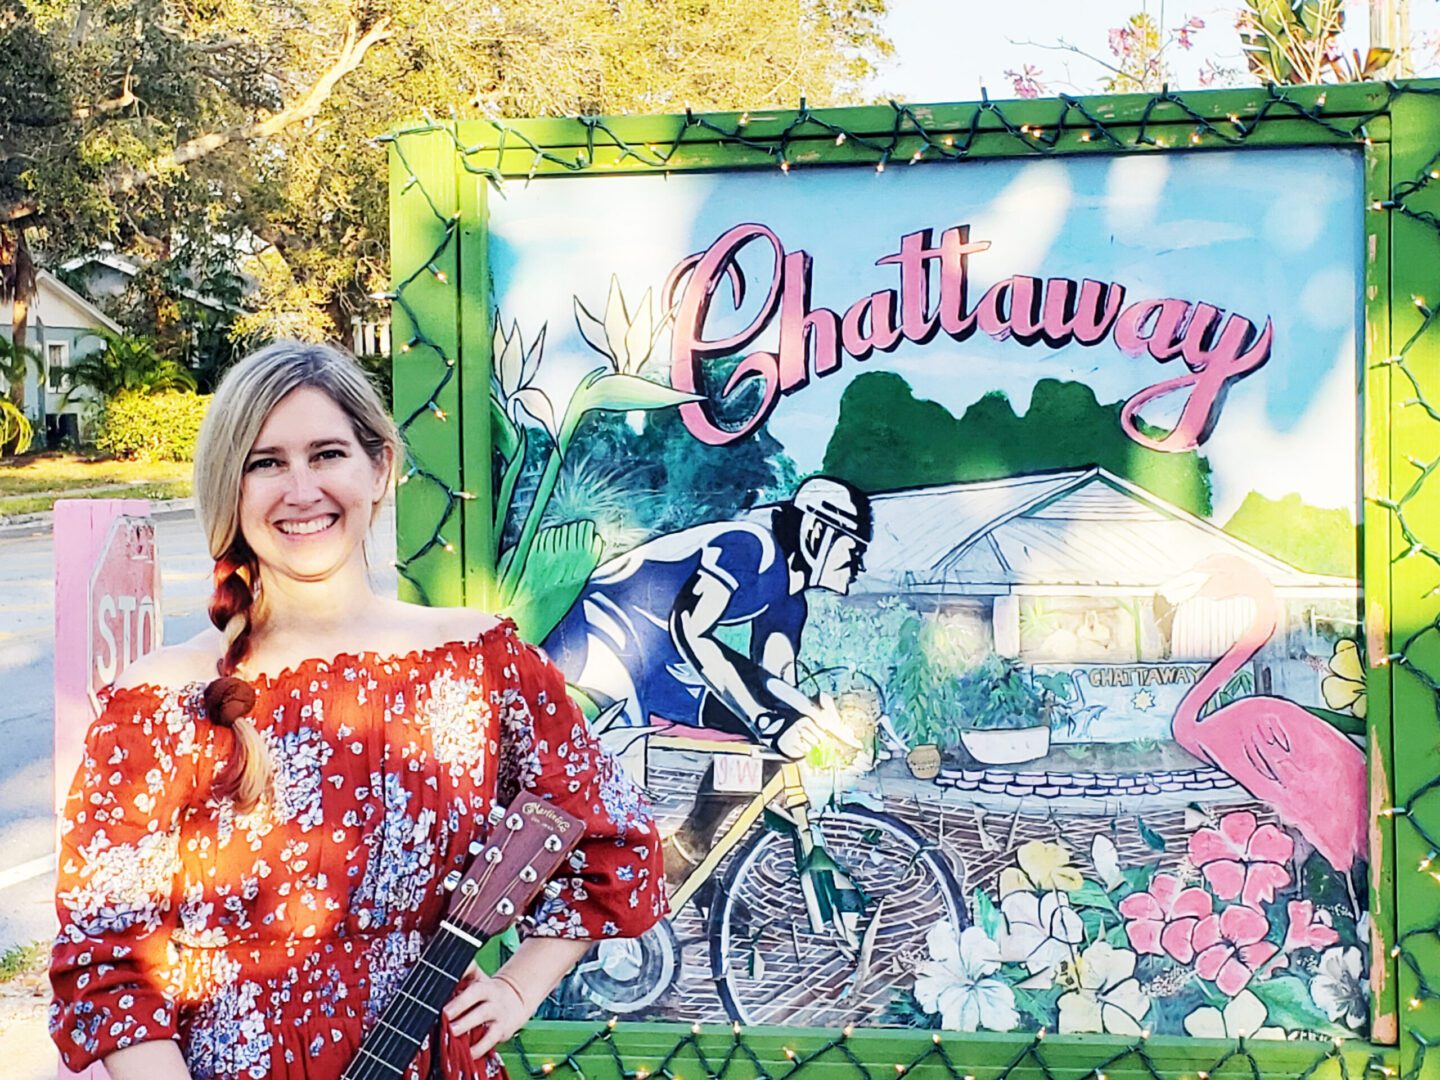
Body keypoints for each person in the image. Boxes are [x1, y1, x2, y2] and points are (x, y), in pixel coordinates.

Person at [49, 342, 666, 1080]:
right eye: (265, 462)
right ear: (229, 488)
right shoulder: (162, 702)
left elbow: (611, 833)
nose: (300, 488)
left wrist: (518, 986)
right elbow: (108, 956)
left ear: (379, 468)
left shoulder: (477, 663)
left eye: (327, 453)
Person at [540, 476, 871, 885]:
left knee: (765, 747)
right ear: (817, 534)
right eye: (852, 548)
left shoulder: (791, 602)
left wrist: (813, 718)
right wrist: (765, 721)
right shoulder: (752, 548)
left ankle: (688, 849)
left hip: (662, 663)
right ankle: (605, 904)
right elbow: (690, 628)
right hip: (606, 635)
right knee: (619, 791)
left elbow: (772, 683)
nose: (857, 565)